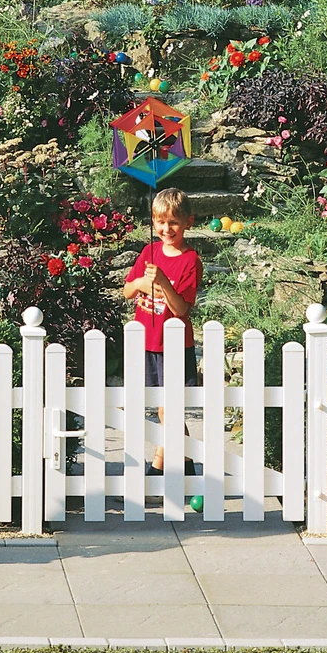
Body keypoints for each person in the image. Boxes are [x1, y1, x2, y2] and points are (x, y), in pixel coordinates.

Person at [121, 187, 203, 474]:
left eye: (173, 223)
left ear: (188, 223)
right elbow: (127, 290)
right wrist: (142, 284)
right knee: (163, 407)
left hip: (174, 346)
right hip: (147, 342)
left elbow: (181, 309)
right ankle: (187, 463)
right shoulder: (149, 251)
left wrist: (164, 283)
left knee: (171, 408)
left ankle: (156, 471)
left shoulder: (190, 260)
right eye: (160, 222)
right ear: (153, 222)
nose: (166, 229)